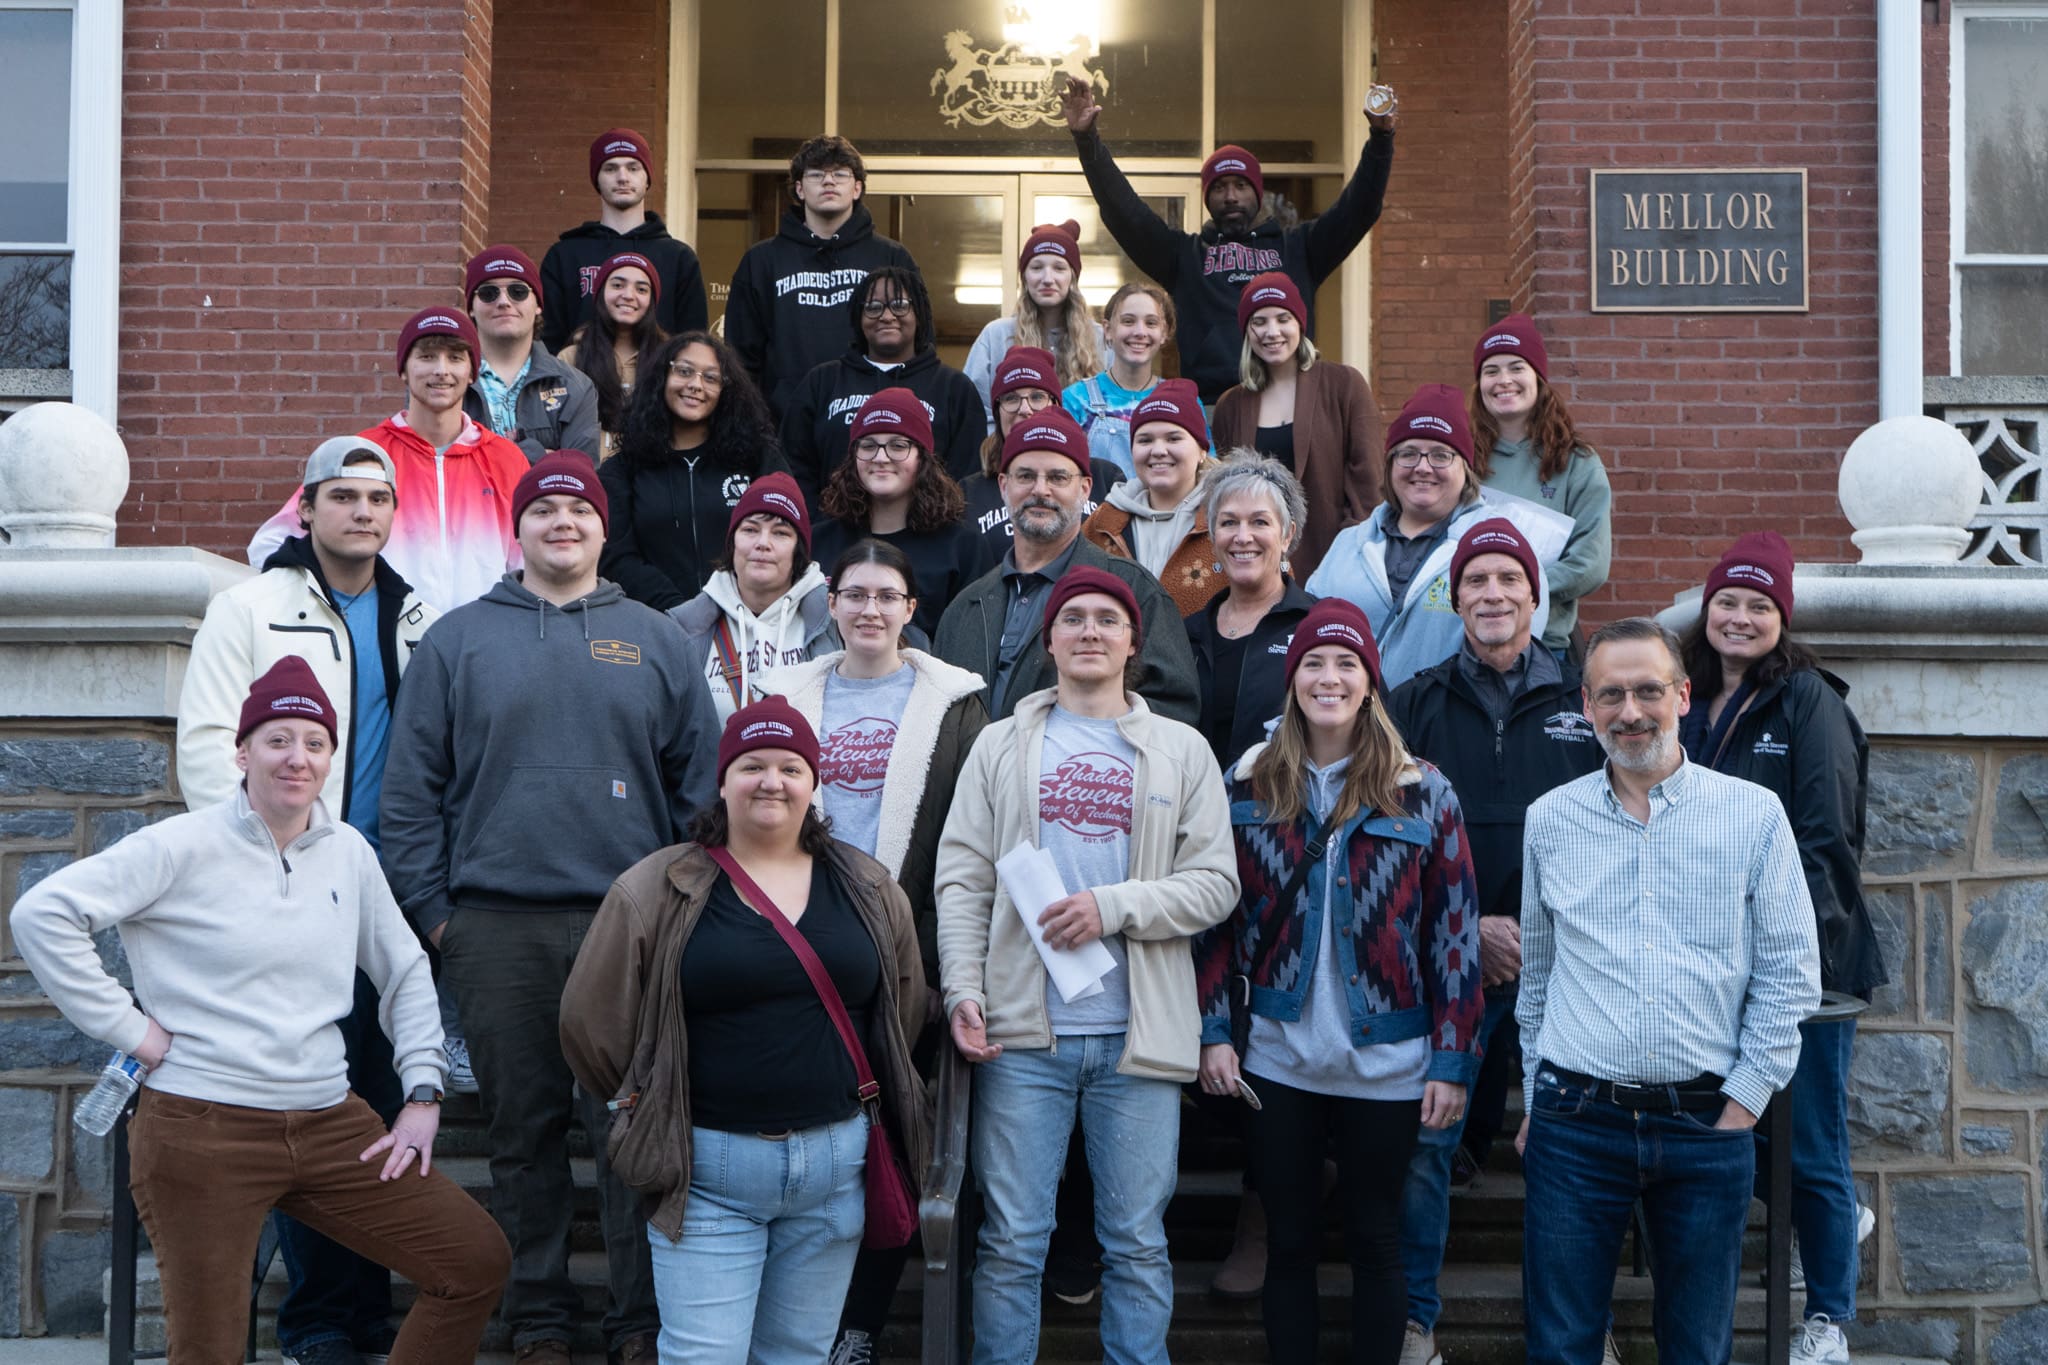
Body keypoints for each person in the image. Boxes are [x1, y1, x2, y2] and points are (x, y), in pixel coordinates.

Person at [12, 659, 511, 1365]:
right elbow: (43, 912)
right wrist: (131, 1029)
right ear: (242, 752)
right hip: (202, 1128)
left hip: (332, 1122)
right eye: (278, 738)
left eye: (314, 741)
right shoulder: (181, 845)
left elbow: (403, 969)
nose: (297, 757)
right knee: (208, 1351)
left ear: (332, 758)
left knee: (472, 1260)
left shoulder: (349, 854)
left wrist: (423, 1089)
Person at [381, 454, 722, 1365]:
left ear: (604, 528)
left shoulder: (659, 641)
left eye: (579, 508)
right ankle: (536, 1316)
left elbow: (703, 794)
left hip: (630, 928)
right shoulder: (458, 641)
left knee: (630, 1129)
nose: (562, 521)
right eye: (544, 508)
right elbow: (410, 796)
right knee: (520, 1133)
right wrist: (440, 917)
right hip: (494, 928)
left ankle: (636, 1319)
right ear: (518, 527)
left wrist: (676, 915)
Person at [559, 697, 933, 1365]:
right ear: (723, 780)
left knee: (797, 1355)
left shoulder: (868, 885)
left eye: (791, 766)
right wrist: (645, 1098)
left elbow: (900, 1007)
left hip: (835, 1169)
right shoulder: (656, 886)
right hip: (706, 1173)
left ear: (814, 783)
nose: (771, 780)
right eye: (752, 764)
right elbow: (591, 1022)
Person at [179, 438, 443, 1365]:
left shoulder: (418, 617)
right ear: (306, 506)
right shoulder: (249, 607)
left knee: (367, 1102)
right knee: (303, 1103)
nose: (362, 512)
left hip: (386, 891)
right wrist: (256, 867)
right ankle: (321, 1320)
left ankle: (367, 1306)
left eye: (378, 497)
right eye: (343, 496)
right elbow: (211, 740)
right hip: (288, 888)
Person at [936, 566, 1240, 1365]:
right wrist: (962, 987)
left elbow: (1216, 883)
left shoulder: (1181, 750)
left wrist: (1114, 906)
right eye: (1074, 617)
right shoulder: (1001, 744)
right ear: (1051, 639)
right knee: (1010, 1244)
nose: (1091, 631)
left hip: (1138, 1039)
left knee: (1137, 1243)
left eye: (1109, 618)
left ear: (1135, 642)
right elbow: (962, 876)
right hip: (1021, 1038)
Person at [1516, 617, 1821, 1365]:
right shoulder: (1550, 821)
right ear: (1586, 706)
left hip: (1704, 1123)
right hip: (1575, 1121)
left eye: (1649, 690)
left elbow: (1790, 974)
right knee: (1561, 1344)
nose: (1630, 711)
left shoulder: (1752, 816)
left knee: (1697, 1347)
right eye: (1611, 694)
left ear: (1683, 695)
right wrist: (1535, 1097)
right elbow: (1538, 979)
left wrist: (1744, 1100)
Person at [1194, 597, 1480, 1364]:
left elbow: (1454, 936)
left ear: (1370, 682)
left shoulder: (1424, 791)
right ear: (1292, 682)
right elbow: (1218, 922)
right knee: (1288, 1241)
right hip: (1278, 1057)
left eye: (1346, 662)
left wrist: (1453, 1061)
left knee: (1376, 1239)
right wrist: (1214, 1031)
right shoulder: (1247, 785)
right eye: (1314, 662)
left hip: (1388, 1062)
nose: (1329, 676)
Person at [1384, 519, 1606, 1365]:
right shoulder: (1415, 697)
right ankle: (1415, 1322)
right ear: (1454, 596)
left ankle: (1587, 1330)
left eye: (1508, 580)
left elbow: (1619, 829)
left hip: (1569, 957)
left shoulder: (1585, 699)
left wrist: (1538, 928)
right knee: (1428, 1146)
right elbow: (1388, 836)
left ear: (1535, 595)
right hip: (1451, 957)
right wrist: (1465, 927)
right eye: (1474, 581)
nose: (1491, 595)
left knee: (1573, 1153)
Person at [765, 540, 989, 1364]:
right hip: (799, 948)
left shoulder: (956, 702)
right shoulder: (786, 696)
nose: (868, 609)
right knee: (805, 1144)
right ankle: (800, 1322)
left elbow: (970, 842)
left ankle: (857, 1326)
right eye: (853, 594)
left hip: (905, 956)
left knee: (890, 1146)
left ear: (910, 608)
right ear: (830, 602)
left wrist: (941, 965)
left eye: (886, 595)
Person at [1679, 532, 1886, 1365]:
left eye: (1759, 604)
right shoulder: (1684, 694)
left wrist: (1789, 960)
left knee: (1809, 1145)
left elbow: (1826, 844)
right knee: (1737, 1133)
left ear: (1782, 617)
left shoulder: (1809, 702)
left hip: (1809, 969)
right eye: (1728, 599)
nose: (1739, 615)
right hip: (1705, 966)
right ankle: (1826, 1218)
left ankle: (1830, 1314)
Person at [1061, 76, 1397, 404]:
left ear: (1258, 193)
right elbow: (1126, 214)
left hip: (1288, 403)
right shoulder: (1184, 257)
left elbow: (1359, 208)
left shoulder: (1299, 249)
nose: (1231, 196)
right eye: (1220, 188)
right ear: (1207, 198)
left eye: (1241, 185)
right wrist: (1087, 140)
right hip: (1211, 409)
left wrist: (1381, 140)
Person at [250, 309, 531, 612]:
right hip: (387, 641)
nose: (441, 370)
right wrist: (335, 608)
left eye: (455, 357)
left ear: (472, 372)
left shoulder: (505, 458)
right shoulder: (364, 453)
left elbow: (531, 561)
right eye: (426, 357)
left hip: (480, 644)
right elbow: (271, 544)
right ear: (403, 370)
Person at [934, 408, 1199, 724]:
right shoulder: (964, 608)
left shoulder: (1135, 590)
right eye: (1026, 476)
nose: (1041, 490)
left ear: (1085, 488)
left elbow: (1174, 707)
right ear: (1004, 486)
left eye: (1058, 477)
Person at [1306, 384, 1554, 689]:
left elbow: (1521, 641)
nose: (1423, 468)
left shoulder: (1500, 544)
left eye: (1440, 455)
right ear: (1390, 465)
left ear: (1465, 467)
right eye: (1408, 454)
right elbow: (1308, 631)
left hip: (1451, 726)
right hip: (1356, 727)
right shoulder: (1349, 544)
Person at [726, 134, 920, 418]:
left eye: (839, 174)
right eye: (817, 174)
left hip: (874, 425)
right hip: (784, 426)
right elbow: (741, 360)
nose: (828, 181)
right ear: (799, 189)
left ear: (857, 188)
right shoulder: (761, 261)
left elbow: (918, 347)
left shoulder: (892, 258)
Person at [597, 330, 793, 611]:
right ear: (661, 378)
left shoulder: (758, 459)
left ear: (726, 390)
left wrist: (733, 605)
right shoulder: (623, 469)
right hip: (658, 623)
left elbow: (785, 536)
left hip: (748, 620)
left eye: (710, 377)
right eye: (684, 371)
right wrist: (682, 610)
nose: (696, 385)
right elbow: (616, 556)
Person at [1212, 272, 1380, 580]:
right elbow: (1227, 492)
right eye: (1259, 322)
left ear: (1300, 324)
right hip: (1257, 568)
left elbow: (1367, 482)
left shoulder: (1344, 385)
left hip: (1333, 561)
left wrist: (1346, 555)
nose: (1271, 332)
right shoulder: (1231, 405)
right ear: (1247, 331)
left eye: (1283, 318)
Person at [1469, 314, 1612, 658]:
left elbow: (1590, 564)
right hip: (1466, 645)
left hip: (1546, 647)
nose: (1504, 380)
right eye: (1491, 371)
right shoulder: (1460, 462)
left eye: (1516, 367)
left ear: (1538, 378)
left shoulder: (1577, 463)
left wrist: (1517, 589)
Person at [780, 266, 983, 501]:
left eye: (899, 305)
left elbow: (967, 475)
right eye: (873, 308)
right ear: (859, 317)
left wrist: (939, 529)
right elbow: (795, 465)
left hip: (928, 531)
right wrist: (821, 528)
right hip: (835, 531)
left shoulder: (954, 388)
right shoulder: (822, 382)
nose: (887, 316)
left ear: (919, 313)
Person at [811, 388, 984, 640]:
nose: (881, 457)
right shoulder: (819, 542)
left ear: (922, 458)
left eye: (898, 445)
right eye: (868, 446)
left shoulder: (962, 548)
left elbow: (972, 642)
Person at [1183, 453, 1317, 778]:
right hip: (1196, 818)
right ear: (1213, 538)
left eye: (1259, 522)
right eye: (1229, 522)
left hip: (1286, 817)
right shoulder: (1187, 633)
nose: (1243, 537)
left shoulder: (1318, 627)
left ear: (1287, 535)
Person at [671, 472, 836, 723]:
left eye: (780, 533)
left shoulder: (834, 620)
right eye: (750, 529)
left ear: (798, 551)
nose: (763, 543)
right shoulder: (684, 626)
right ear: (732, 543)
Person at [539, 127, 709, 352]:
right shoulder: (565, 255)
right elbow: (548, 341)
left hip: (656, 383)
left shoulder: (678, 258)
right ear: (596, 179)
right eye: (610, 168)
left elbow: (693, 344)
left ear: (647, 177)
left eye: (633, 168)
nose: (622, 177)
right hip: (578, 380)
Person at [963, 345, 1123, 571]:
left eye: (1037, 397)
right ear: (998, 411)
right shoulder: (971, 492)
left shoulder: (1105, 477)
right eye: (1011, 398)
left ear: (1056, 404)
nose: (1025, 409)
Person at [1082, 378, 1221, 616]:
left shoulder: (1227, 517)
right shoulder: (1104, 521)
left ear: (1201, 450)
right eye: (1145, 440)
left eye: (1173, 438)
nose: (1158, 450)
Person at [459, 244, 602, 466]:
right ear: (471, 307)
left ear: (538, 304)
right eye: (489, 293)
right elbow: (430, 465)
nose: (504, 302)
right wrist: (541, 457)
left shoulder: (577, 387)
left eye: (518, 291)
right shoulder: (442, 380)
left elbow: (579, 477)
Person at [963, 219, 1105, 431]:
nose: (1048, 279)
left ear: (1073, 278)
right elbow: (973, 411)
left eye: (1059, 268)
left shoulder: (1100, 337)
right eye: (1037, 267)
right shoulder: (996, 335)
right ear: (1024, 277)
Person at [559, 251, 669, 462]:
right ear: (600, 293)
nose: (628, 295)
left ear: (652, 301)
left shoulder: (668, 357)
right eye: (618, 285)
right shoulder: (571, 357)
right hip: (588, 478)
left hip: (649, 477)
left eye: (641, 289)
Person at [1062, 281, 1172, 480]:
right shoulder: (1074, 400)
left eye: (1151, 323)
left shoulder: (1179, 400)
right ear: (1107, 329)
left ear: (1164, 333)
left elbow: (1203, 472)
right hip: (1095, 510)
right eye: (1128, 321)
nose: (1140, 332)